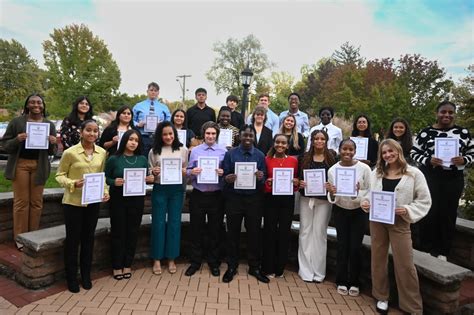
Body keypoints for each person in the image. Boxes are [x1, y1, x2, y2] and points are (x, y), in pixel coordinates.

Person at [361, 139, 431, 314]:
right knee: (378, 259)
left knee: (405, 263)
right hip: (377, 221)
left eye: (391, 151)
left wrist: (406, 209)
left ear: (398, 151)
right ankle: (381, 296)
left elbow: (424, 200)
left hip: (400, 222)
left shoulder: (414, 174)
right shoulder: (376, 173)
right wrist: (366, 202)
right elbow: (368, 193)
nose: (388, 155)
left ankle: (412, 306)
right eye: (384, 152)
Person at [411, 101, 473, 260]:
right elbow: (414, 153)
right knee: (429, 211)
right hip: (431, 176)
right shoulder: (425, 132)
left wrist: (464, 159)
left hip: (453, 179)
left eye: (450, 112)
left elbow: (473, 154)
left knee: (448, 213)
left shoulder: (463, 133)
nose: (447, 115)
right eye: (443, 112)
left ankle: (443, 251)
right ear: (436, 113)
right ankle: (425, 247)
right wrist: (428, 160)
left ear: (454, 114)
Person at [56, 120, 110, 293]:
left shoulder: (102, 153)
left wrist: (106, 191)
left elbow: (102, 176)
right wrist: (72, 183)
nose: (92, 134)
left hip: (93, 202)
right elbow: (59, 175)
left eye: (95, 131)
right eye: (88, 130)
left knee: (88, 239)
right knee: (73, 241)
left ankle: (86, 275)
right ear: (81, 132)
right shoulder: (70, 153)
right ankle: (71, 277)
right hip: (73, 203)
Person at [1, 94, 57, 250]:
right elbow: (5, 145)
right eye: (32, 102)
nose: (36, 104)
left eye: (39, 102)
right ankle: (20, 238)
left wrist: (53, 142)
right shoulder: (17, 122)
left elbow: (52, 151)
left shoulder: (49, 124)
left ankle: (32, 236)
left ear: (43, 105)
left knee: (36, 203)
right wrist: (17, 139)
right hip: (21, 164)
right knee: (21, 202)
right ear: (27, 105)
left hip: (40, 166)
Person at [222, 124, 269, 283]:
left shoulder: (260, 155)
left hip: (254, 200)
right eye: (245, 135)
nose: (248, 138)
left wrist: (260, 176)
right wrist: (228, 178)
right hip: (234, 199)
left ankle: (254, 267)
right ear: (239, 137)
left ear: (254, 137)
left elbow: (264, 180)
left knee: (254, 234)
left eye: (250, 136)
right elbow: (225, 175)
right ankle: (232, 266)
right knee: (232, 234)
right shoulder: (230, 154)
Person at [105, 130, 154, 280]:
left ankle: (127, 264)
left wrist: (149, 179)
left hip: (136, 200)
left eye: (136, 140)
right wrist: (114, 182)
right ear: (124, 140)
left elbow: (145, 179)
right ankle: (116, 265)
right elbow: (106, 177)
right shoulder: (114, 159)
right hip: (118, 199)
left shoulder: (142, 160)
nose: (133, 142)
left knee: (133, 232)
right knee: (118, 232)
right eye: (130, 139)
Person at [326, 139, 371, 297]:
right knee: (342, 246)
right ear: (339, 150)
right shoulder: (333, 170)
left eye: (351, 149)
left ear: (355, 151)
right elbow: (332, 195)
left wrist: (358, 192)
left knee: (355, 247)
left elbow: (369, 191)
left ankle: (354, 282)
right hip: (340, 210)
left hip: (358, 211)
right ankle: (341, 280)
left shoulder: (364, 168)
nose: (347, 152)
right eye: (344, 149)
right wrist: (331, 191)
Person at [185, 122, 227, 277]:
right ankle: (195, 262)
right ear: (203, 134)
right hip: (199, 195)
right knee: (196, 229)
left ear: (217, 135)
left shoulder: (223, 151)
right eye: (208, 133)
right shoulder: (195, 151)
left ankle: (214, 262)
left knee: (215, 230)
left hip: (216, 196)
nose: (210, 136)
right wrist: (192, 172)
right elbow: (188, 172)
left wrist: (223, 172)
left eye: (213, 134)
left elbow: (228, 173)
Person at [148, 121, 188, 275]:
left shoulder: (183, 149)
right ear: (160, 135)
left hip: (177, 190)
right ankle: (157, 259)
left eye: (170, 133)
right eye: (165, 134)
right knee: (158, 223)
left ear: (175, 134)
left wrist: (185, 171)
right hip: (160, 189)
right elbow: (150, 172)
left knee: (174, 223)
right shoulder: (154, 151)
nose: (168, 136)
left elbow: (186, 169)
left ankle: (171, 258)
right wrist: (154, 172)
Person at [297, 130, 336, 283]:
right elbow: (298, 178)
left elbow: (335, 180)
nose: (319, 141)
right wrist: (300, 183)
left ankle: (318, 271)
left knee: (320, 234)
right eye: (316, 139)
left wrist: (330, 186)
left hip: (323, 201)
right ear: (312, 141)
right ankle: (305, 270)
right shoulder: (304, 158)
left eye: (322, 139)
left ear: (326, 141)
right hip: (306, 199)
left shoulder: (332, 159)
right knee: (305, 232)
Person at [262, 134, 298, 278]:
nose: (280, 145)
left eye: (283, 143)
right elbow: (263, 180)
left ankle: (280, 267)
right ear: (274, 144)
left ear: (288, 145)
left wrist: (295, 182)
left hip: (287, 201)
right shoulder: (266, 160)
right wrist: (267, 183)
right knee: (269, 231)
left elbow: (296, 182)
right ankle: (267, 266)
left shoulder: (293, 161)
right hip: (270, 199)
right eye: (278, 142)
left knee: (284, 232)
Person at [132, 82, 171, 155]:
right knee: (143, 158)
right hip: (142, 137)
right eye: (151, 90)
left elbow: (169, 121)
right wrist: (137, 124)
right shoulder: (138, 106)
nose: (153, 92)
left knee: (156, 159)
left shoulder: (164, 107)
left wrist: (162, 124)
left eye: (155, 91)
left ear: (158, 93)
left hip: (158, 137)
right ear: (147, 91)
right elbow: (131, 119)